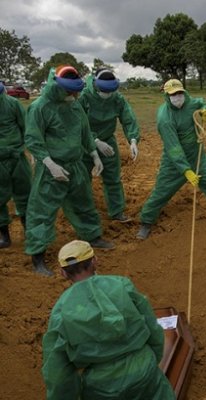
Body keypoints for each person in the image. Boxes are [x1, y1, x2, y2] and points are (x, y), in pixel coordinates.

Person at [42, 240, 175, 400]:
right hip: (144, 370)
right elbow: (151, 325)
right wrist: (151, 359)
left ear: (63, 273)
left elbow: (57, 368)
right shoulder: (122, 285)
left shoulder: (61, 310)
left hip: (102, 386)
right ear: (94, 261)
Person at [25, 65, 114, 276]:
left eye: (76, 91)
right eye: (70, 91)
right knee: (42, 211)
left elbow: (84, 130)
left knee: (84, 202)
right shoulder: (40, 107)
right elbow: (33, 138)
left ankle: (93, 236)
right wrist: (49, 163)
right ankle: (37, 256)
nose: (74, 95)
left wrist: (93, 154)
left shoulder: (74, 105)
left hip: (76, 165)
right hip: (51, 169)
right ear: (57, 87)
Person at [136, 79, 206, 240]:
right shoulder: (164, 117)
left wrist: (205, 110)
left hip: (197, 156)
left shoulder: (190, 103)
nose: (178, 96)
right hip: (174, 163)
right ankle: (146, 223)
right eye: (173, 94)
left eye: (180, 93)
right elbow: (173, 148)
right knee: (161, 192)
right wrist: (186, 171)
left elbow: (202, 102)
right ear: (167, 96)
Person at [78, 68, 141, 222]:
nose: (106, 94)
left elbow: (128, 118)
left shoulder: (117, 98)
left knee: (113, 178)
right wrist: (95, 141)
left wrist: (132, 140)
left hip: (108, 141)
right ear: (95, 85)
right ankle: (85, 214)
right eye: (104, 91)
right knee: (82, 180)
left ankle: (117, 211)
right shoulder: (84, 97)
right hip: (84, 142)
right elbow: (77, 123)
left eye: (110, 91)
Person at [0, 81, 31, 248]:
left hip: (16, 155)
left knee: (24, 192)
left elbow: (26, 127)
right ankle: (5, 236)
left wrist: (31, 149)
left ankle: (28, 231)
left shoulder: (13, 104)